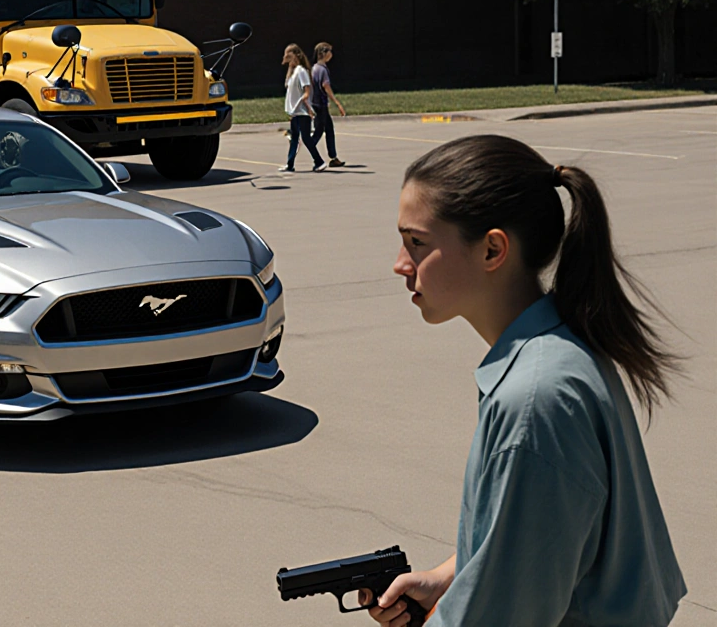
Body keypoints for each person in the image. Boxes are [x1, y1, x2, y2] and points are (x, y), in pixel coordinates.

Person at [366, 134, 686, 625]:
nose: (400, 263)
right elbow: (546, 544)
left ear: (493, 249)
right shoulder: (560, 352)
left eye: (417, 243)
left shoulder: (534, 401)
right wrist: (453, 577)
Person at [280, 44, 324, 172]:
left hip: (302, 111)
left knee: (305, 138)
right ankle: (290, 165)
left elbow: (307, 90)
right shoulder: (294, 71)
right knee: (294, 139)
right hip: (295, 112)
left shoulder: (301, 71)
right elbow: (287, 85)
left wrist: (306, 104)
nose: (286, 56)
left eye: (288, 54)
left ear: (296, 54)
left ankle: (319, 161)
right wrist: (289, 66)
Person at [309, 42, 347, 168]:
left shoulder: (314, 68)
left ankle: (333, 157)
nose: (331, 54)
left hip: (316, 103)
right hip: (321, 104)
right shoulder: (323, 69)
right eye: (329, 51)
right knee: (319, 131)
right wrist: (337, 102)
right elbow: (326, 86)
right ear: (323, 53)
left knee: (329, 129)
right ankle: (313, 152)